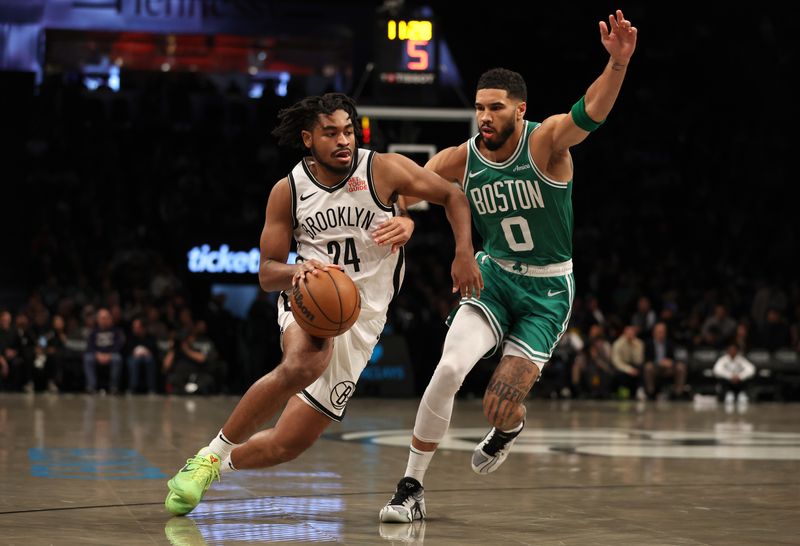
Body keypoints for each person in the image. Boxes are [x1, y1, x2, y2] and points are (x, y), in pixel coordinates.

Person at [164, 93, 482, 516]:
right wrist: (297, 271)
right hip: (310, 298)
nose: (343, 140)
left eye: (348, 130)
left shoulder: (382, 169)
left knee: (287, 444)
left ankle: (217, 466)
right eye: (330, 132)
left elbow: (454, 197)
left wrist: (457, 249)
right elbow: (266, 272)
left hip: (364, 316)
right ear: (308, 138)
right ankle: (209, 454)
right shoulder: (288, 190)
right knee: (305, 362)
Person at [380, 9, 637, 523]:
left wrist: (618, 64)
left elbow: (589, 112)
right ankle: (410, 487)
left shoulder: (547, 143)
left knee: (500, 403)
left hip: (546, 294)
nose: (485, 118)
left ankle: (508, 427)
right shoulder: (464, 157)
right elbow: (412, 180)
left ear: (521, 110)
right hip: (492, 278)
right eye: (479, 108)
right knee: (449, 368)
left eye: (495, 108)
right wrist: (404, 218)